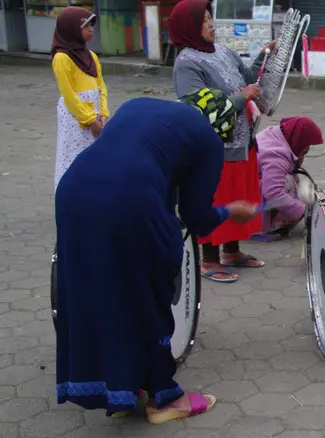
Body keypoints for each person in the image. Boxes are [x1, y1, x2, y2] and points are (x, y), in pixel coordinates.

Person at [54, 89, 258, 421]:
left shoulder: (136, 104)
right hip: (128, 200)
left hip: (74, 191)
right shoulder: (207, 139)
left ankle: (122, 384)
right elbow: (196, 217)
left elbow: (143, 164)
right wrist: (230, 212)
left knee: (99, 289)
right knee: (148, 290)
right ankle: (163, 399)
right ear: (223, 126)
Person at [170, 0, 273, 283]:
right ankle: (209, 259)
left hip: (242, 139)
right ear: (189, 26)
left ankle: (232, 251)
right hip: (213, 146)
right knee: (215, 197)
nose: (211, 24)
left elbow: (248, 78)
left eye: (210, 18)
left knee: (238, 195)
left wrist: (266, 55)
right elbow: (199, 107)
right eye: (203, 20)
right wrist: (243, 97)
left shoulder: (224, 52)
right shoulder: (187, 63)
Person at [52, 7, 109, 190]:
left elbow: (101, 86)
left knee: (95, 155)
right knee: (74, 155)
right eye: (85, 25)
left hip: (95, 114)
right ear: (71, 29)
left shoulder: (91, 56)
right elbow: (69, 95)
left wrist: (103, 114)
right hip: (76, 117)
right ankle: (71, 193)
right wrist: (90, 120)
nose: (91, 29)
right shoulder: (62, 58)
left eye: (92, 25)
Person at [255, 116, 324, 239]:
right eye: (306, 146)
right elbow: (272, 192)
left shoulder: (276, 135)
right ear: (299, 141)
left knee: (295, 181)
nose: (307, 149)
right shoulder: (275, 155)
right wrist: (304, 212)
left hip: (242, 190)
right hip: (246, 202)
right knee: (290, 183)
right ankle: (263, 227)